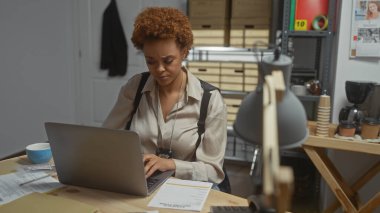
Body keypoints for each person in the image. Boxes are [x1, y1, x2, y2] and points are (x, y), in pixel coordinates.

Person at [102, 7, 228, 186]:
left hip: (187, 187)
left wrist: (171, 165)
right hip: (140, 183)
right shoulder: (134, 88)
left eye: (168, 61)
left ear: (184, 52)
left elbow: (213, 172)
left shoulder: (210, 100)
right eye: (150, 62)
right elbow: (105, 138)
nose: (159, 69)